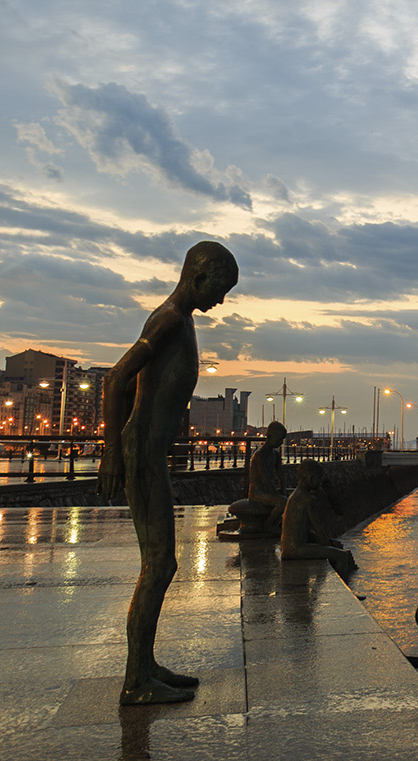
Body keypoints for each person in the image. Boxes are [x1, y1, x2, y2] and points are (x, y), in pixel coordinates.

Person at [98, 240, 238, 705]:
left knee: (162, 562)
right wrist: (112, 454)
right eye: (220, 290)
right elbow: (115, 379)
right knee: (159, 564)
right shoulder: (169, 319)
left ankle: (146, 663)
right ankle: (136, 680)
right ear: (199, 278)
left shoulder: (184, 320)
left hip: (151, 452)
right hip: (140, 451)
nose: (221, 301)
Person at [279, 460, 357, 574]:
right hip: (295, 549)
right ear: (311, 478)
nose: (320, 482)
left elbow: (303, 530)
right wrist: (330, 548)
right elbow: (318, 528)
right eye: (319, 479)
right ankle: (342, 588)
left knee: (335, 550)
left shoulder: (295, 495)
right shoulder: (307, 499)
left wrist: (331, 543)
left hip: (289, 547)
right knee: (342, 556)